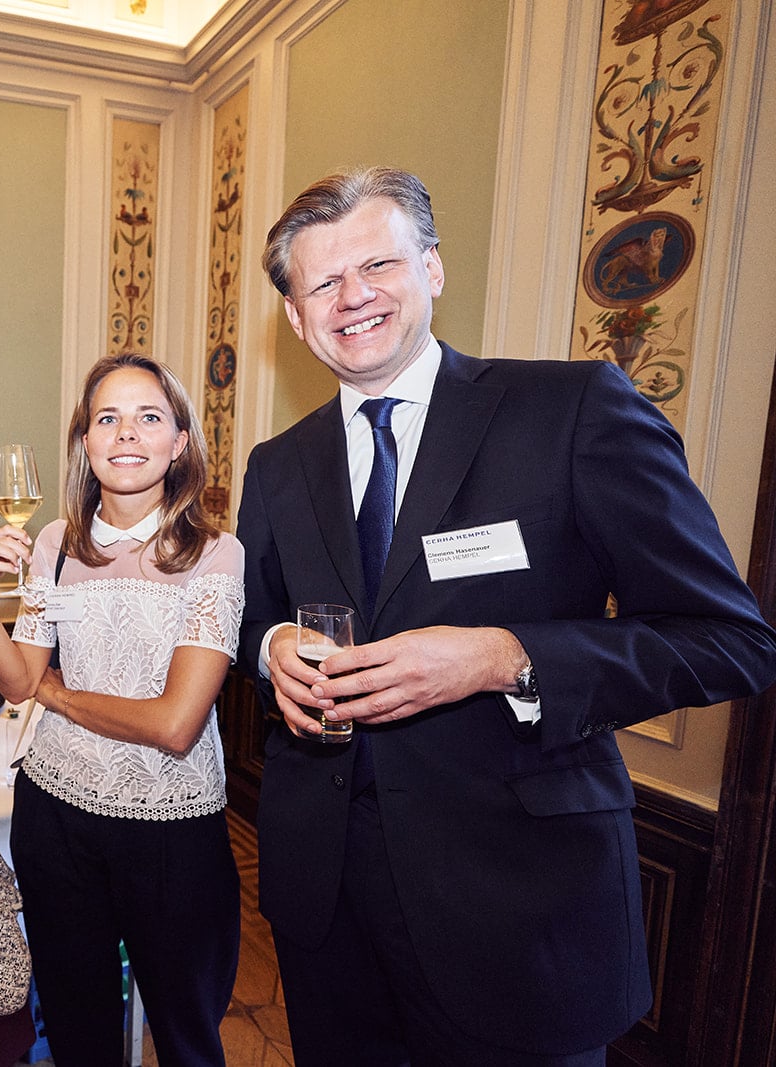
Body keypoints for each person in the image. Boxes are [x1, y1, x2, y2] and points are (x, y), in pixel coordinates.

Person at [237, 165, 776, 1065]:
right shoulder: (277, 463)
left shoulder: (571, 410)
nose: (353, 295)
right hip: (326, 901)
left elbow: (731, 640)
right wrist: (272, 646)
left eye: (378, 264)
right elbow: (250, 616)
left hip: (518, 908)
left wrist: (504, 656)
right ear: (296, 316)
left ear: (433, 268)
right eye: (323, 281)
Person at [0, 353, 242, 1066]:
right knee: (76, 1029)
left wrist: (57, 694)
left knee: (187, 1036)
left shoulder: (216, 554)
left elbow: (174, 725)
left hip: (171, 831)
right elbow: (19, 680)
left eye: (149, 417)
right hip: (54, 817)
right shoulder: (55, 545)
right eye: (107, 418)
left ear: (179, 441)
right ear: (85, 441)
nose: (126, 433)